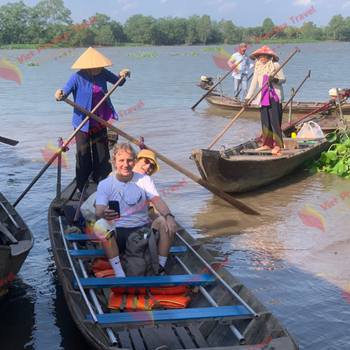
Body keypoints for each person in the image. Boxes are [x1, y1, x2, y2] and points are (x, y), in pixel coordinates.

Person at [94, 142, 177, 277]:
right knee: (100, 225)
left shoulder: (145, 180)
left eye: (129, 160)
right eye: (121, 160)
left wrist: (169, 216)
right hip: (118, 232)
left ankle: (160, 268)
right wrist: (103, 214)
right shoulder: (105, 184)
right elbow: (98, 213)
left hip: (142, 231)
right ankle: (119, 273)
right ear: (114, 162)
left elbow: (158, 201)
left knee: (164, 221)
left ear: (134, 162)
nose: (125, 164)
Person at [55, 47, 130, 194]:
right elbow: (64, 92)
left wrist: (123, 74)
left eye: (98, 67)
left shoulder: (103, 73)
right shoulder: (76, 77)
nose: (96, 69)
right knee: (83, 155)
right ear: (86, 67)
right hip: (82, 123)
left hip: (99, 120)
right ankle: (81, 186)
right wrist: (59, 93)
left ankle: (103, 183)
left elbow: (119, 82)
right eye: (93, 67)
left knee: (101, 154)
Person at [244, 46, 286, 156]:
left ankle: (278, 146)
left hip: (274, 97)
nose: (263, 57)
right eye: (260, 56)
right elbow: (254, 84)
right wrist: (248, 98)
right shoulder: (257, 67)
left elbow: (283, 79)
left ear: (269, 56)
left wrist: (275, 80)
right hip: (263, 98)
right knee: (265, 122)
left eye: (265, 55)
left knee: (275, 122)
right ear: (257, 57)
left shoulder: (275, 65)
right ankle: (267, 144)